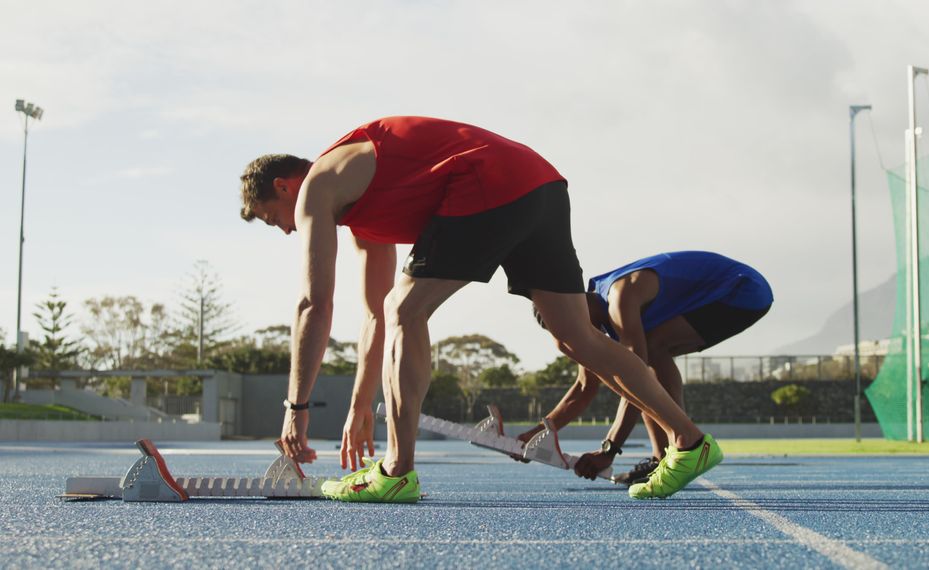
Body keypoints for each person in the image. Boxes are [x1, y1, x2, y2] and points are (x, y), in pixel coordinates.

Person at [238, 116, 721, 501]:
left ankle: (397, 472)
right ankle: (690, 441)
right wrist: (360, 405)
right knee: (579, 335)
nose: (283, 230)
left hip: (486, 179)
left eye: (270, 219)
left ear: (284, 186)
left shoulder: (319, 185)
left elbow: (313, 304)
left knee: (407, 309)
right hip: (541, 184)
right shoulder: (361, 211)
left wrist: (296, 409)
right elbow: (373, 320)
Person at [518, 251, 772, 485]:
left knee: (650, 351)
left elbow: (636, 378)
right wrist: (540, 433)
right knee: (652, 351)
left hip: (743, 288)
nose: (571, 337)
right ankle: (663, 456)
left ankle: (678, 448)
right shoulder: (595, 323)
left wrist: (609, 449)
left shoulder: (619, 299)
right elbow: (585, 387)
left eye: (568, 328)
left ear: (575, 308)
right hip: (727, 291)